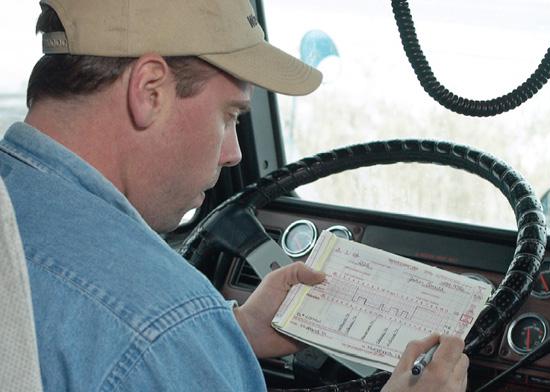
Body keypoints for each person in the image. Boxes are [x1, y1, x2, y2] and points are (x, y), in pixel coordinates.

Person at [0, 0, 468, 390]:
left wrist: (232, 333)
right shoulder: (163, 326)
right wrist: (195, 337)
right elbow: (144, 340)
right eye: (229, 116)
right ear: (149, 92)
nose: (233, 152)